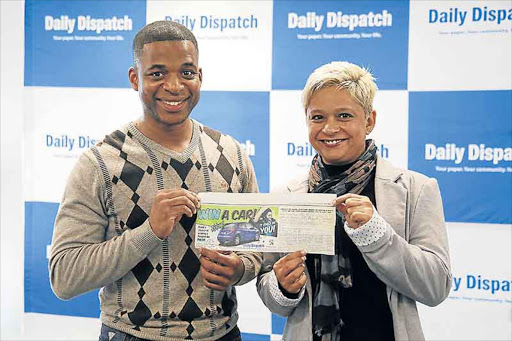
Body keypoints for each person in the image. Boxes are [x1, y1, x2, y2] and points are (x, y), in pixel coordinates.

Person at [49, 20, 262, 341]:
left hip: (224, 334)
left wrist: (240, 269)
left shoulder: (231, 153)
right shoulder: (100, 164)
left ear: (200, 77)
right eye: (157, 73)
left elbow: (256, 248)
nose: (174, 86)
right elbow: (65, 276)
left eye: (187, 73)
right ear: (135, 78)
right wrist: (149, 232)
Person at [257, 61, 451, 341]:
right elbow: (271, 293)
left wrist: (378, 236)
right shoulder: (285, 195)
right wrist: (283, 288)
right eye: (318, 117)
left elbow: (436, 287)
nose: (330, 128)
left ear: (369, 120)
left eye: (344, 115)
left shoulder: (416, 189)